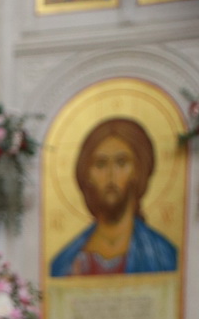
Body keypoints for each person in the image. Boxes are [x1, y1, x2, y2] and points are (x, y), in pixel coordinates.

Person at [51, 117, 178, 277]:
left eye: (121, 162)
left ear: (138, 171)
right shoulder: (66, 262)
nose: (111, 175)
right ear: (87, 174)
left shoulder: (162, 255)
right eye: (101, 164)